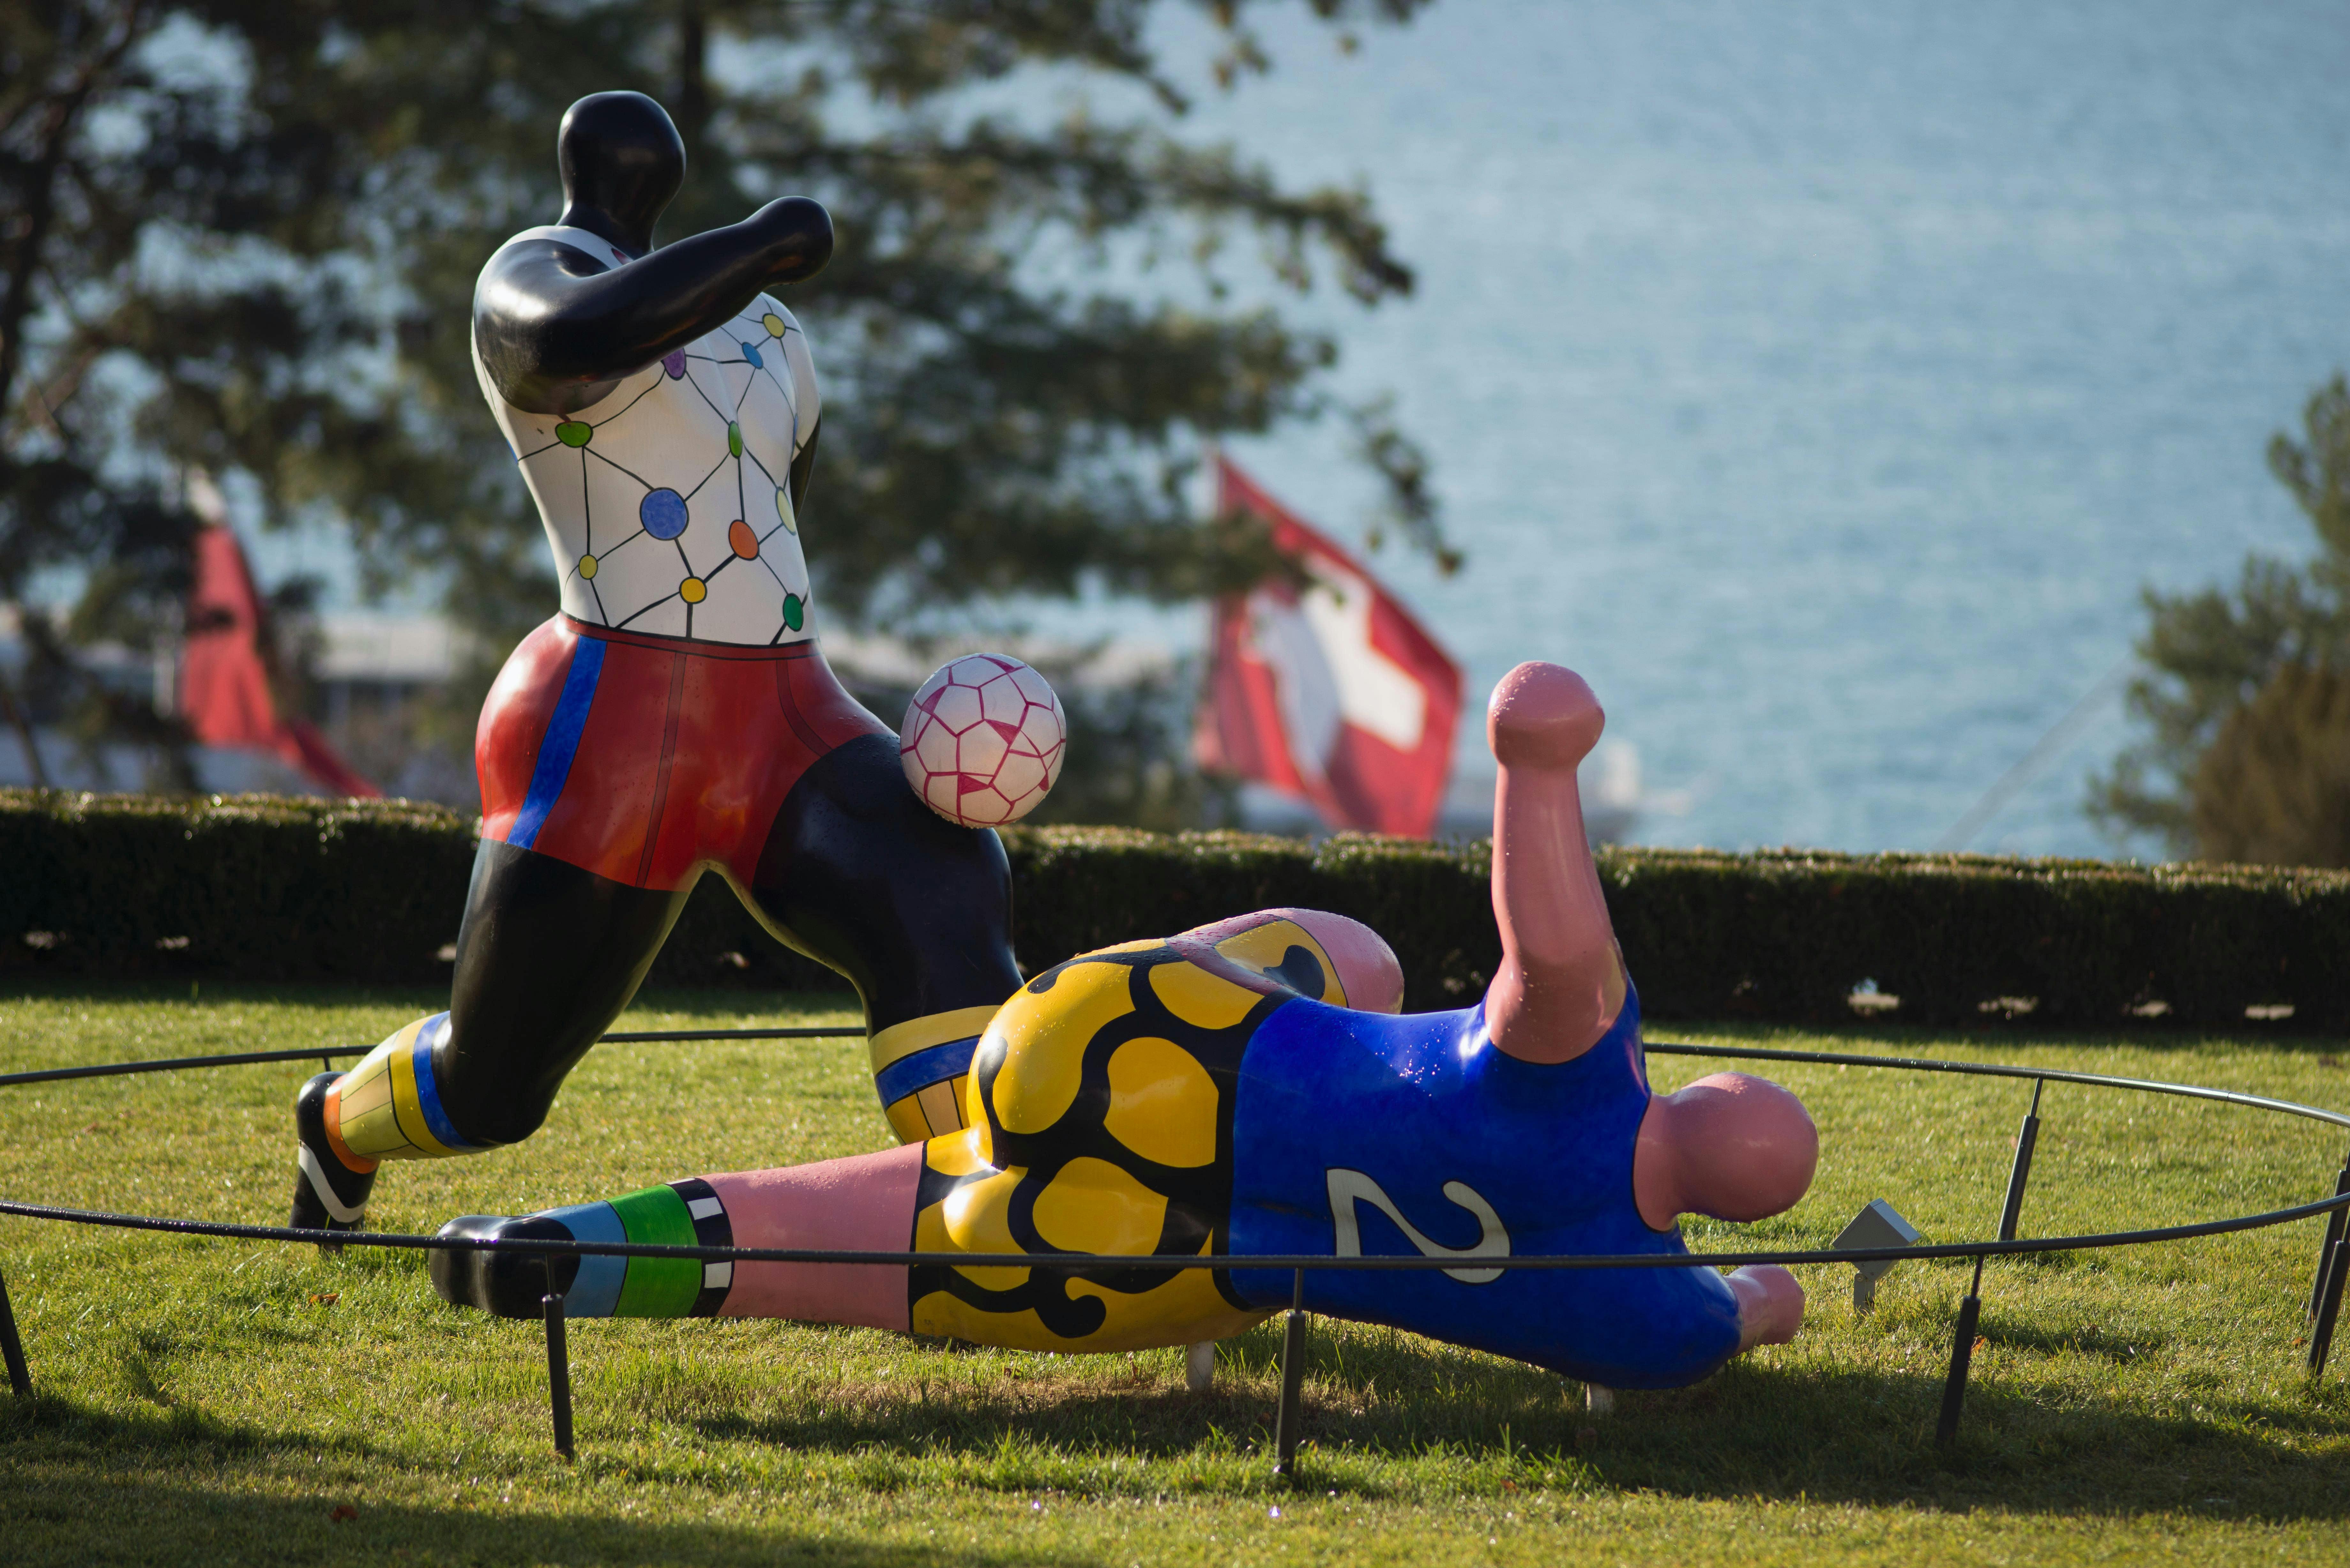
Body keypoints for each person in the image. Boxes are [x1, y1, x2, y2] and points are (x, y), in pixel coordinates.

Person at [432, 662, 1817, 1389]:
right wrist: (1756, 1307)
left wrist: (1538, 762)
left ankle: (583, 1243)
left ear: (1690, 1097)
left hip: (1147, 1039)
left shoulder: (1578, 1075)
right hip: (1172, 1261)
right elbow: (1734, 1314)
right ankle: (570, 1258)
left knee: (1358, 963)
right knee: (880, 1238)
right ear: (1715, 1208)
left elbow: (1557, 947)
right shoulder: (1647, 1301)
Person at [288, 91, 1023, 1237]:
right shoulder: (533, 272)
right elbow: (565, 346)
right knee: (493, 1088)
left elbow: (778, 502)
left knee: (937, 885)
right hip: (607, 726)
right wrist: (762, 241)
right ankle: (336, 1121)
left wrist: (759, 267)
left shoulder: (771, 328)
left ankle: (997, 1206)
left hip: (783, 710)